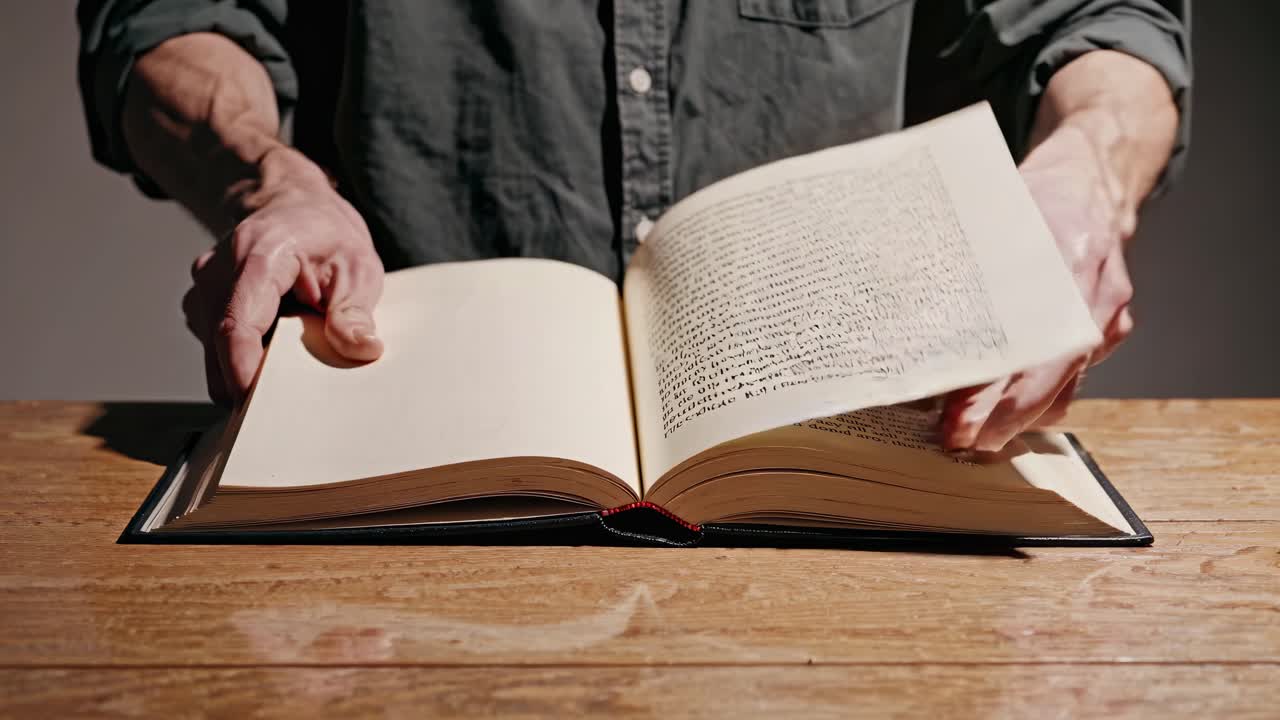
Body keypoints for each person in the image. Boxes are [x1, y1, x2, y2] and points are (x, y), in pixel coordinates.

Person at [77, 1, 1190, 451]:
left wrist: (1081, 174)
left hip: (845, 468)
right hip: (408, 461)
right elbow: (170, 14)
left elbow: (1100, 18)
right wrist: (268, 180)